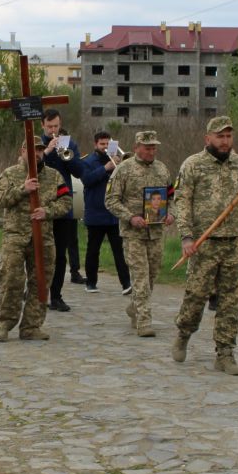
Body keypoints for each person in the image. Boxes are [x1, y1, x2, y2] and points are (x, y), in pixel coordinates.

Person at [172, 114, 238, 376]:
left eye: (229, 136)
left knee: (231, 301)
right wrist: (186, 237)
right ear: (208, 138)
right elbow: (181, 202)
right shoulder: (193, 165)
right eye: (220, 136)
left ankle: (225, 353)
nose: (225, 141)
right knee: (195, 297)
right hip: (204, 244)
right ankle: (183, 332)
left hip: (234, 242)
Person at [0, 139, 68, 341]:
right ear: (22, 151)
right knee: (11, 279)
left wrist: (48, 211)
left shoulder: (53, 175)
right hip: (15, 236)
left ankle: (31, 326)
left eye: (40, 150)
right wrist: (22, 190)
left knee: (41, 282)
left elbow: (66, 201)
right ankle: (4, 323)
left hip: (43, 237)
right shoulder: (10, 173)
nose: (37, 154)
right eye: (32, 150)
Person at [104, 129, 172, 338]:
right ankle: (144, 321)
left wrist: (171, 214)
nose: (152, 151)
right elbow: (110, 200)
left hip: (156, 232)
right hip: (133, 232)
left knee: (151, 276)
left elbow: (172, 196)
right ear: (136, 148)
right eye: (147, 147)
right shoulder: (123, 170)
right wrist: (130, 216)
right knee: (140, 277)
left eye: (154, 147)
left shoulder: (162, 170)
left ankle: (135, 307)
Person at [42, 109, 85, 310]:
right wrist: (48, 151)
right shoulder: (35, 143)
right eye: (49, 127)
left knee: (60, 254)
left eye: (56, 126)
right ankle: (34, 289)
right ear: (43, 126)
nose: (53, 130)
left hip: (62, 205)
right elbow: (30, 166)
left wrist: (67, 157)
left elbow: (80, 171)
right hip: (41, 205)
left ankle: (56, 296)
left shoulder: (69, 143)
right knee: (38, 253)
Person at [79, 133, 132, 294]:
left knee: (119, 251)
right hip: (95, 212)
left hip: (114, 214)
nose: (105, 147)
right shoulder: (88, 162)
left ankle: (126, 284)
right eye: (102, 144)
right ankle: (91, 282)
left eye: (108, 144)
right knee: (93, 250)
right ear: (96, 145)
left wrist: (118, 165)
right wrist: (105, 168)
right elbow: (86, 180)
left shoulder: (119, 161)